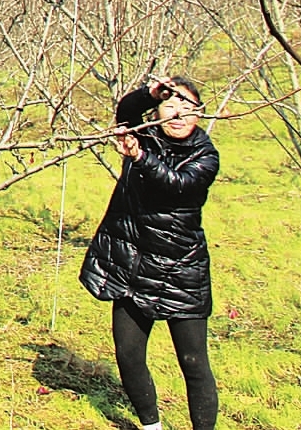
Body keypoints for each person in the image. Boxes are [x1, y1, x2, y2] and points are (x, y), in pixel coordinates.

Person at [80, 75, 221, 430]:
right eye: (169, 104)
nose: (178, 113)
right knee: (128, 355)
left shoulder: (206, 156)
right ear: (157, 111)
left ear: (199, 113)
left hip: (180, 269)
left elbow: (177, 186)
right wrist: (149, 93)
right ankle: (151, 425)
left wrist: (140, 158)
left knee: (193, 362)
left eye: (187, 106)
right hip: (132, 265)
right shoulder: (145, 136)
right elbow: (126, 111)